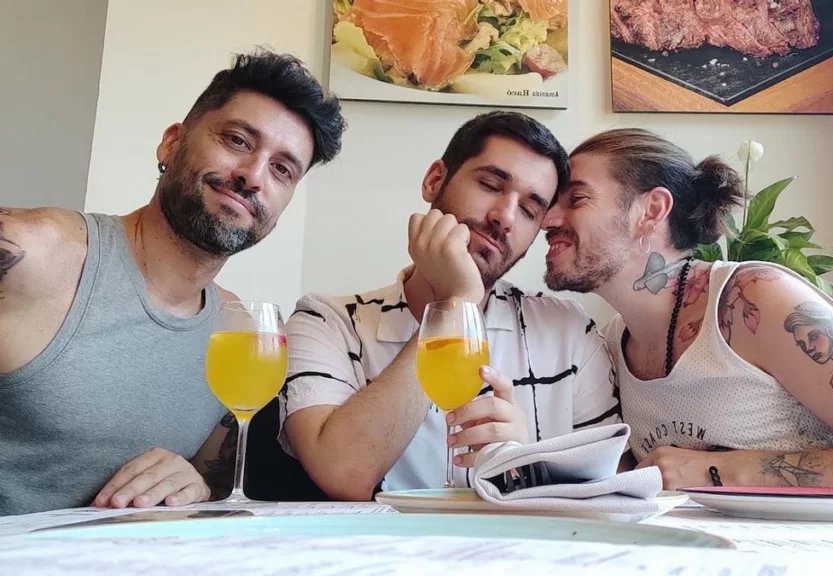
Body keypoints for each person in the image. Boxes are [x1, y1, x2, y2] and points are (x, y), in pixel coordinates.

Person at [539, 128, 833, 510]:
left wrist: (714, 469)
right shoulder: (610, 346)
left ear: (652, 210)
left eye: (576, 198)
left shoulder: (754, 301)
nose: (548, 219)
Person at [0, 49, 346, 516]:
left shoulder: (234, 328)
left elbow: (212, 471)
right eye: (238, 140)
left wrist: (196, 484)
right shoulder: (31, 253)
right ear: (171, 144)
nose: (252, 176)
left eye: (282, 169)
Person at [281, 112, 619, 500]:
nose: (504, 218)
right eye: (490, 185)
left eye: (529, 210)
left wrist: (529, 467)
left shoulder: (571, 333)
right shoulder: (327, 320)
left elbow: (610, 492)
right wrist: (456, 302)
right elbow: (343, 474)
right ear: (435, 180)